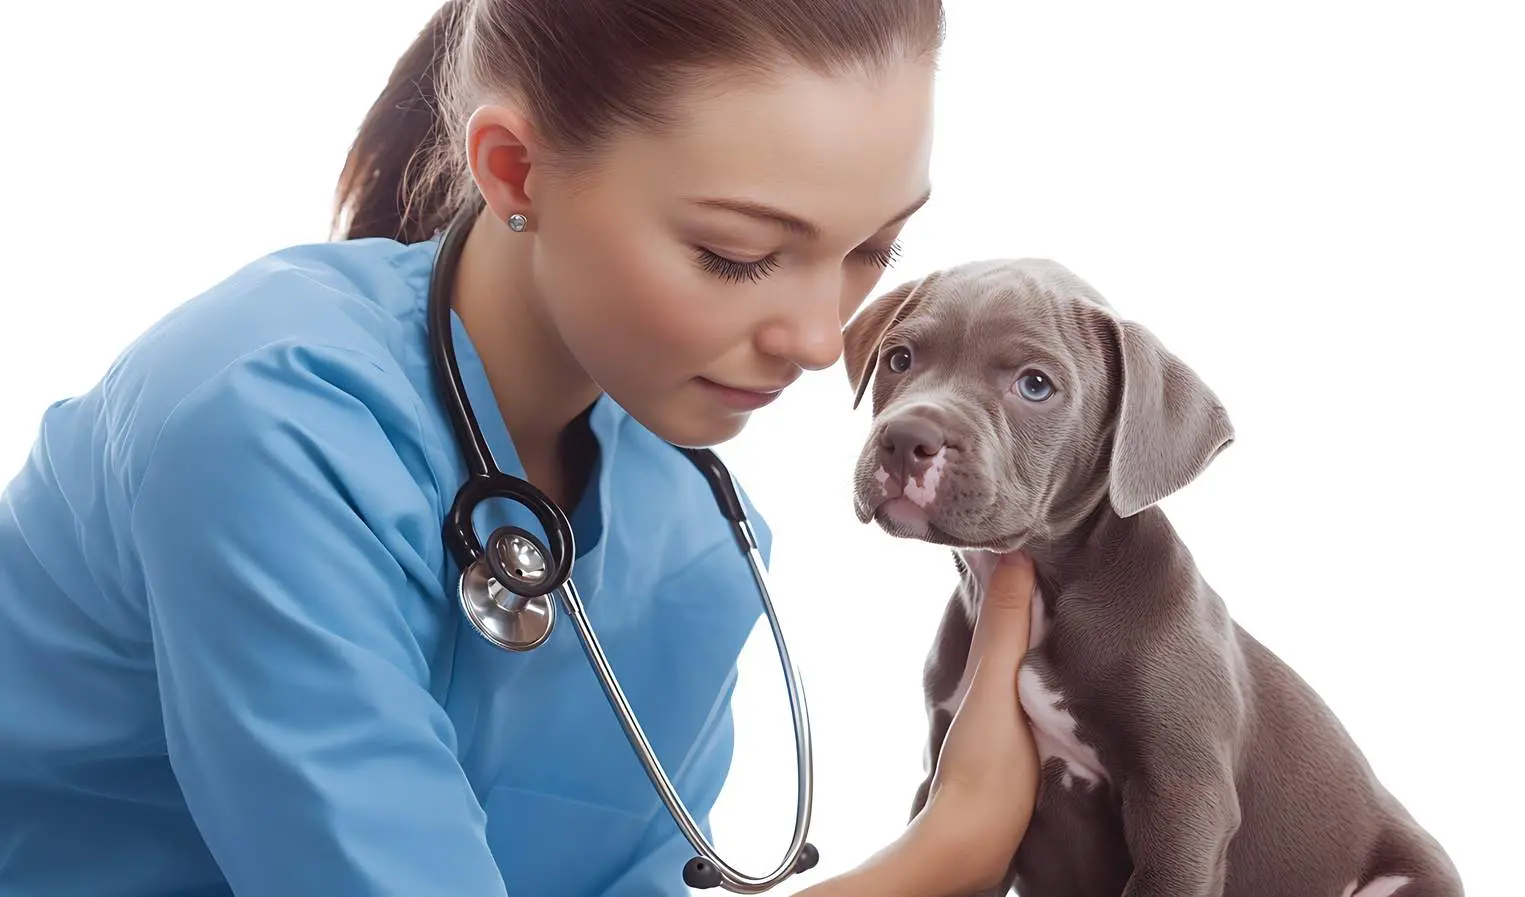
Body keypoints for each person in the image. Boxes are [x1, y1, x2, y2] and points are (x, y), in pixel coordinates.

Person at [0, 0, 1039, 894]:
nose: (819, 341)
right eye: (738, 255)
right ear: (515, 170)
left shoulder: (694, 543)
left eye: (873, 248)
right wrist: (941, 855)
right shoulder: (262, 422)